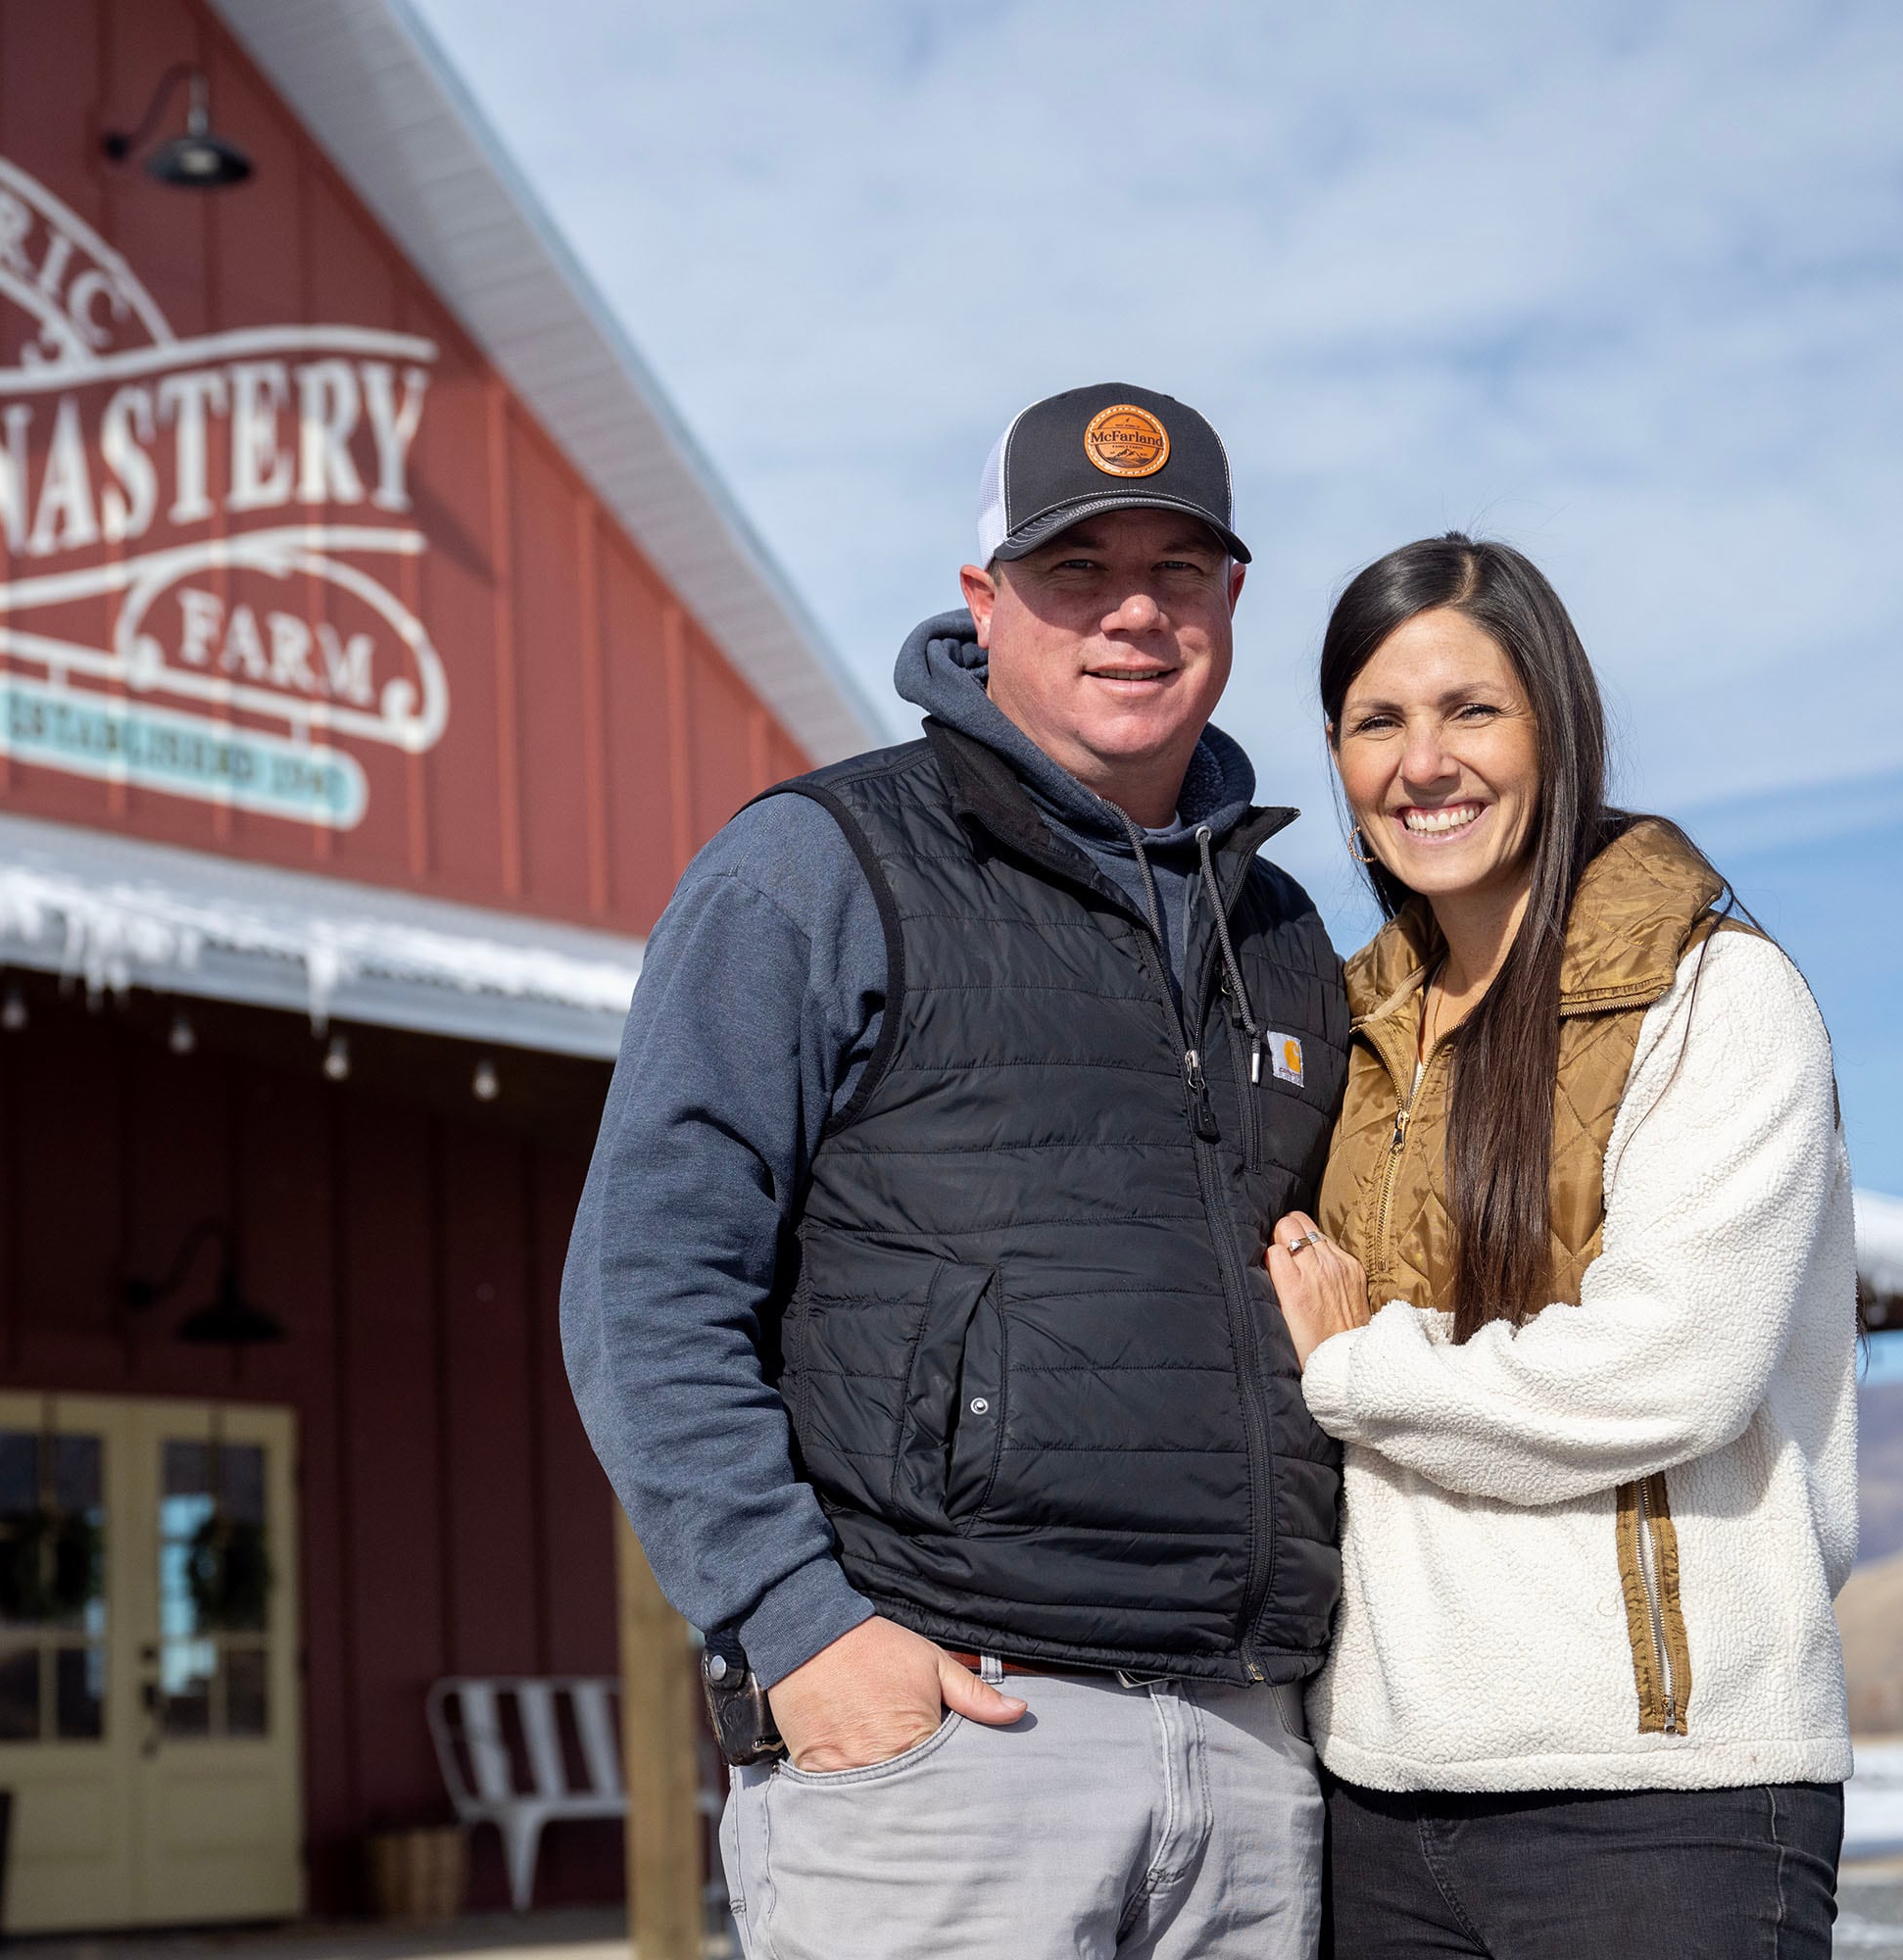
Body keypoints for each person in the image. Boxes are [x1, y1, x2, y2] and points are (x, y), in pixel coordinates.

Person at [561, 384, 1352, 1958]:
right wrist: (802, 1632)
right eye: (1077, 571)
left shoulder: (1285, 939)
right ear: (984, 602)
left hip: (1258, 1761)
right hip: (954, 1747)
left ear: (1234, 604)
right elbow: (645, 1283)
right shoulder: (820, 868)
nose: (1133, 613)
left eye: (1179, 573)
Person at [1264, 534, 1858, 1959]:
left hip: (1659, 1801)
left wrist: (1359, 1370)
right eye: (1377, 722)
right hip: (1378, 1793)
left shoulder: (1715, 996)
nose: (1425, 762)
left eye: (1473, 710)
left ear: (1559, 728)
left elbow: (1671, 1369)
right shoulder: (1346, 1033)